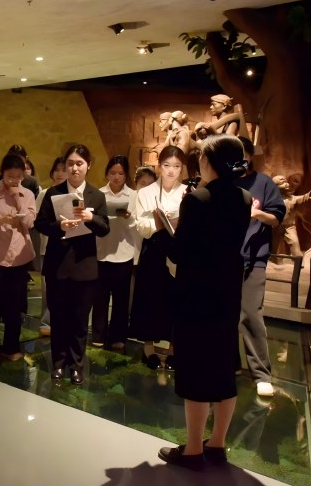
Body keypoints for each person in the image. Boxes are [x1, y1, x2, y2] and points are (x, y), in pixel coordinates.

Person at [158, 134, 252, 469]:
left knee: (196, 369)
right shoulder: (244, 197)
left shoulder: (197, 199)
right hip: (227, 292)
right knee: (224, 367)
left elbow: (180, 251)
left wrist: (162, 230)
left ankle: (193, 451)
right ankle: (217, 445)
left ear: (209, 161)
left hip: (197, 294)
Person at [34, 144, 109, 384]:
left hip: (84, 265)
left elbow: (104, 228)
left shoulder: (96, 195)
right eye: (70, 164)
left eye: (79, 163)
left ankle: (77, 365)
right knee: (58, 317)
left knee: (79, 320)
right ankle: (58, 363)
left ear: (88, 166)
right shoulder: (53, 193)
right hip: (58, 264)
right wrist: (60, 226)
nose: (75, 168)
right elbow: (40, 223)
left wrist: (91, 217)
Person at [128, 146, 187, 370]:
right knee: (149, 299)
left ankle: (173, 349)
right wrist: (160, 223)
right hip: (153, 248)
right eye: (167, 165)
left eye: (176, 166)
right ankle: (148, 348)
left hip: (178, 249)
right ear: (159, 166)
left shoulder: (187, 192)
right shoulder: (146, 192)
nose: (171, 171)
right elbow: (141, 225)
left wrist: (177, 222)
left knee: (176, 300)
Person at [236, 137, 285, 397]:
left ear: (250, 156)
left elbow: (277, 218)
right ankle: (229, 364)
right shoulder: (224, 182)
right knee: (223, 313)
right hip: (224, 258)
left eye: (242, 156)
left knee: (251, 313)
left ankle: (261, 373)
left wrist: (257, 214)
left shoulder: (263, 183)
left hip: (253, 258)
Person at [0, 153, 37, 363]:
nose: (14, 181)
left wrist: (17, 200)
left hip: (19, 256)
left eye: (18, 177)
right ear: (2, 173)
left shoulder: (27, 194)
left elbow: (29, 223)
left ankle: (11, 347)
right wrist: (2, 220)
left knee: (15, 303)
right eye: (10, 176)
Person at [93, 155, 140, 350]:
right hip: (101, 251)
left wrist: (129, 218)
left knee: (121, 299)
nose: (116, 177)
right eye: (112, 173)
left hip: (124, 252)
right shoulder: (99, 194)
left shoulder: (133, 196)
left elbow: (137, 225)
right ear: (107, 173)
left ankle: (118, 336)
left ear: (126, 175)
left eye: (120, 173)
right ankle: (98, 334)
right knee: (100, 297)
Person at [36, 157, 68, 336]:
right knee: (47, 288)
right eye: (57, 169)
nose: (60, 173)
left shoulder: (73, 195)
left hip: (68, 247)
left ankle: (63, 322)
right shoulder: (45, 193)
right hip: (47, 246)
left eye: (64, 169)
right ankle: (46, 322)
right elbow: (38, 219)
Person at [272, 175, 311, 257]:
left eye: (286, 182)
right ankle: (271, 259)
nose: (286, 184)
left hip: (289, 226)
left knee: (294, 242)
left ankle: (298, 260)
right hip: (275, 226)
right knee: (273, 244)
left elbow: (303, 198)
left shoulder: (292, 199)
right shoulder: (271, 200)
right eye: (282, 182)